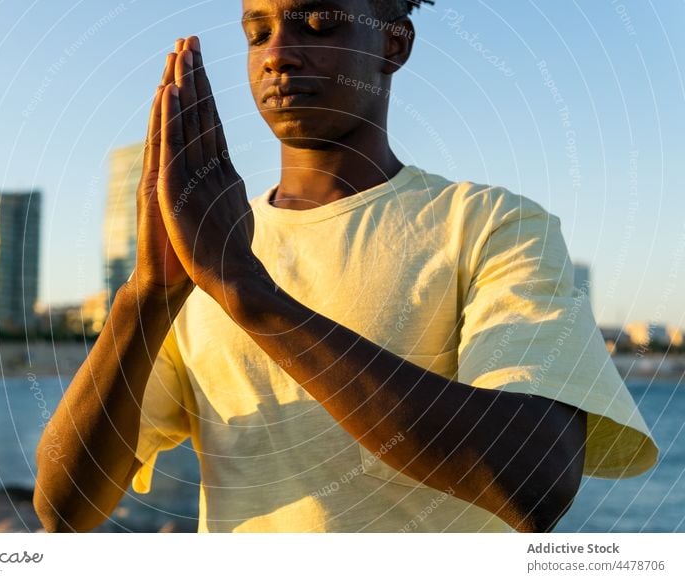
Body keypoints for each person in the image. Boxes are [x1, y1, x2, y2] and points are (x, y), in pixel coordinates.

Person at [33, 0, 658, 533]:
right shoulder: (203, 254)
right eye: (258, 32)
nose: (278, 54)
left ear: (393, 43)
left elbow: (534, 478)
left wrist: (250, 293)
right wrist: (147, 293)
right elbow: (65, 510)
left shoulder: (488, 224)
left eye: (318, 24)